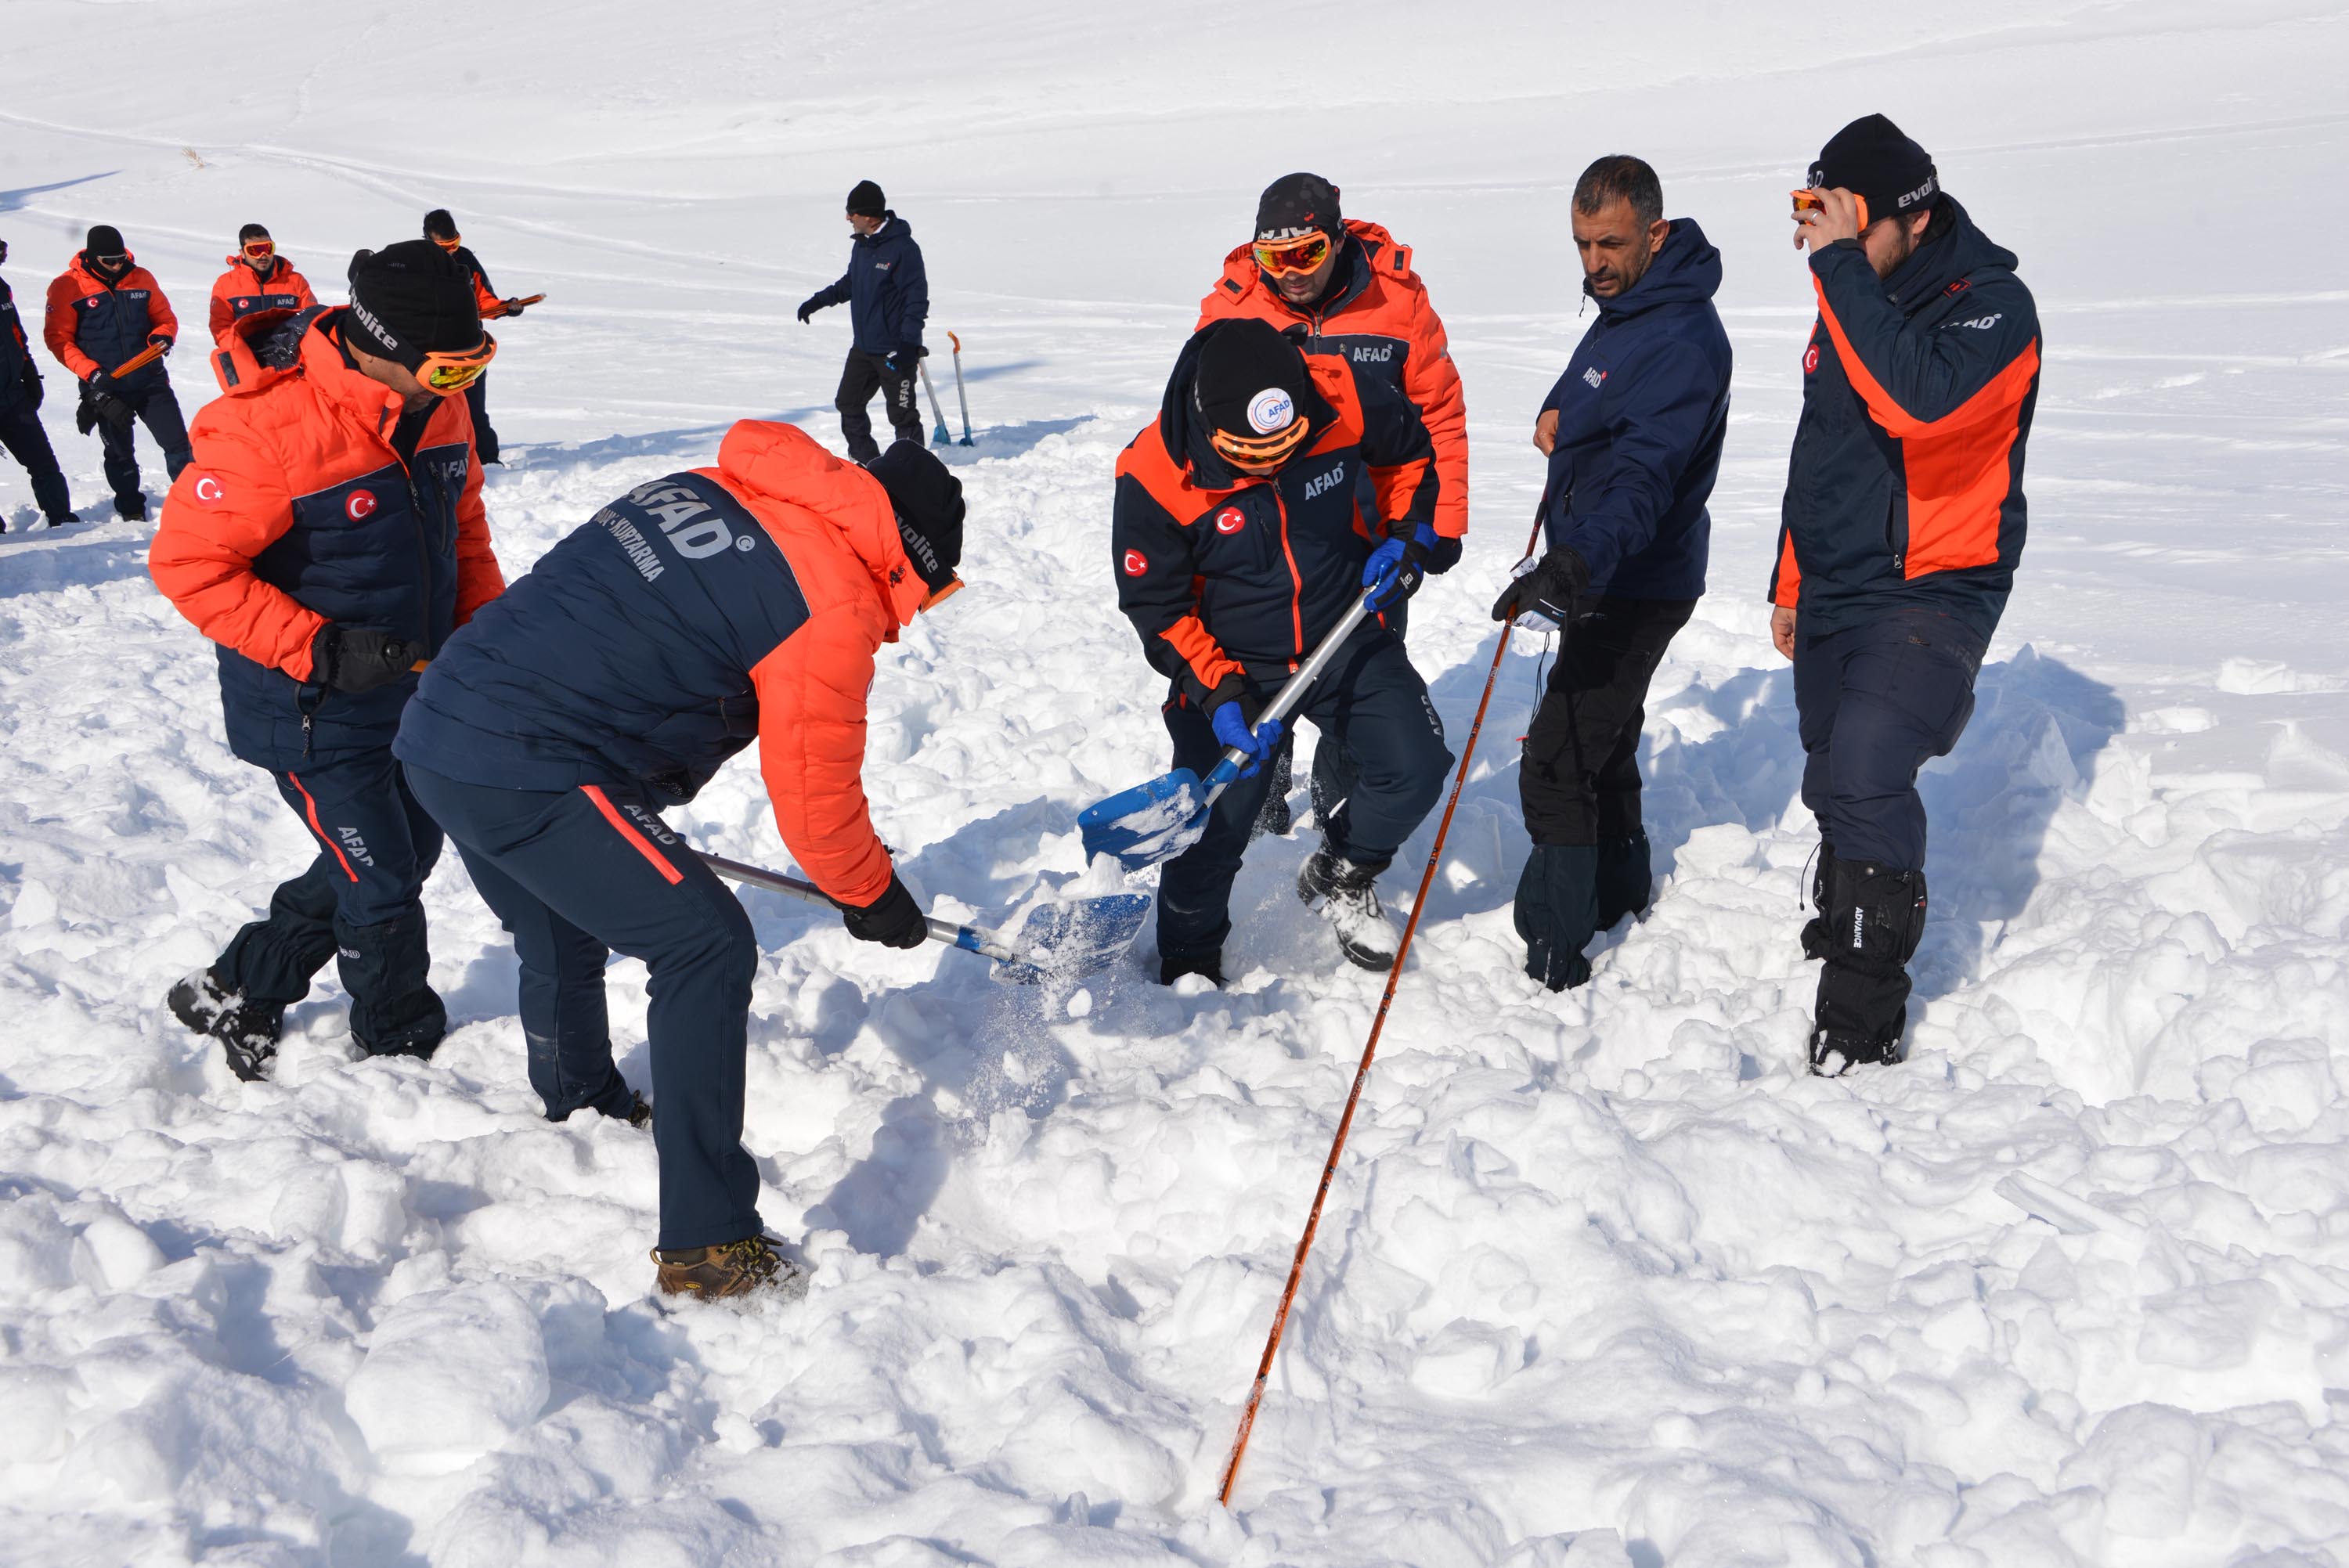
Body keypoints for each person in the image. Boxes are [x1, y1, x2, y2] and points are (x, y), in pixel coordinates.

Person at [394, 422, 967, 1302]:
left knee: (561, 914)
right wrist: (872, 893)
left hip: (443, 724)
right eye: (932, 591)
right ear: (913, 558)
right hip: (529, 763)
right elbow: (814, 800)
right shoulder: (832, 597)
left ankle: (580, 1099)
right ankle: (709, 1242)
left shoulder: (711, 485)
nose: (915, 613)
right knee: (706, 942)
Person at [149, 241, 506, 1083]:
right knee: (380, 877)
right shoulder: (265, 430)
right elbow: (189, 566)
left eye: (477, 365)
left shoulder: (440, 411)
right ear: (382, 345)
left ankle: (238, 982)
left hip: (412, 693)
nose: (462, 387)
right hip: (309, 708)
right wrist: (322, 647)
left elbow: (463, 535)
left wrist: (482, 642)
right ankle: (399, 1046)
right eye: (450, 370)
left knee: (400, 854)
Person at [1770, 114, 2040, 1075]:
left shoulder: (1994, 308)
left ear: (1914, 219)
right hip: (1838, 581)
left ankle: (1861, 1009)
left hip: (1940, 581)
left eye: (1847, 218)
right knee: (1828, 770)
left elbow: (1920, 403)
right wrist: (1791, 579)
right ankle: (1852, 905)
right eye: (1815, 215)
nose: (1826, 236)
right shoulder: (1857, 293)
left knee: (1869, 763)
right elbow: (1821, 449)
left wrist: (1841, 267)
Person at [1113, 316, 1456, 981]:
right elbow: (1159, 607)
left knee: (1415, 764)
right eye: (1250, 454)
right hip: (1233, 666)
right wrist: (1218, 694)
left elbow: (1408, 456)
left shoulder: (1340, 391)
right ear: (1211, 425)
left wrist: (1405, 535)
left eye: (1287, 446)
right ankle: (1188, 961)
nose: (1271, 466)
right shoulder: (1153, 473)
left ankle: (1344, 867)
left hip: (1342, 628)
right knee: (1213, 831)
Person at [1489, 156, 1731, 992]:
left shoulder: (1681, 340)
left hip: (1633, 574)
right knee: (1607, 733)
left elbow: (1643, 476)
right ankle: (1619, 890)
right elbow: (1594, 390)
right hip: (1604, 564)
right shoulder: (1629, 303)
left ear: (1655, 234)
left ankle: (1555, 952)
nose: (1594, 263)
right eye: (1583, 244)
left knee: (1555, 760)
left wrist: (1575, 560)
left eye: (1611, 244)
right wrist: (1558, 412)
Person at [1196, 172, 1470, 838]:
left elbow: (1438, 413)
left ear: (1338, 240)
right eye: (1274, 258)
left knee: (1359, 685)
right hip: (1266, 544)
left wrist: (1439, 523)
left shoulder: (1397, 301)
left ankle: (1337, 812)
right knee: (1261, 686)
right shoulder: (1231, 309)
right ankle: (1259, 807)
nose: (1291, 273)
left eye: (1307, 253)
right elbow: (1196, 428)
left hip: (1372, 539)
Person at [45, 224, 192, 521]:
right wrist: (92, 374)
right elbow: (58, 340)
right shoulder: (66, 287)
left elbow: (165, 317)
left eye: (121, 259)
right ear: (91, 257)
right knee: (120, 453)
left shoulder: (142, 277)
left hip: (150, 380)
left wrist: (163, 336)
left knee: (178, 444)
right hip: (106, 387)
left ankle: (193, 502)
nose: (116, 266)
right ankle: (131, 509)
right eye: (109, 261)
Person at [796, 181, 929, 463]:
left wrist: (909, 344)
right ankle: (866, 463)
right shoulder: (862, 246)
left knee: (902, 415)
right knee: (848, 403)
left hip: (894, 351)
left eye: (852, 212)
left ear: (868, 216)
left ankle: (912, 470)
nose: (848, 218)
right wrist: (817, 301)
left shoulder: (903, 249)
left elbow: (916, 301)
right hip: (864, 348)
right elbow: (850, 283)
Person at [423, 208, 530, 463]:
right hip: (433, 351)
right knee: (429, 410)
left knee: (473, 409)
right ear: (428, 240)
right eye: (445, 246)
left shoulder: (466, 261)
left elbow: (485, 300)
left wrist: (506, 308)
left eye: (455, 243)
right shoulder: (418, 262)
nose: (452, 250)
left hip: (469, 348)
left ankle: (487, 461)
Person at [0, 235, 74, 530]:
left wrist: (29, 370)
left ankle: (62, 519)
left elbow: (16, 334)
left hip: (12, 394)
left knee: (43, 461)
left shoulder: (2, 288)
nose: (3, 257)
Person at [207, 223, 317, 348]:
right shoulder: (226, 284)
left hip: (288, 351)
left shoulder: (295, 282)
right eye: (255, 251)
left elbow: (311, 319)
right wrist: (238, 350)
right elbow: (221, 327)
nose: (263, 256)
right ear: (243, 253)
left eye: (268, 249)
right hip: (245, 351)